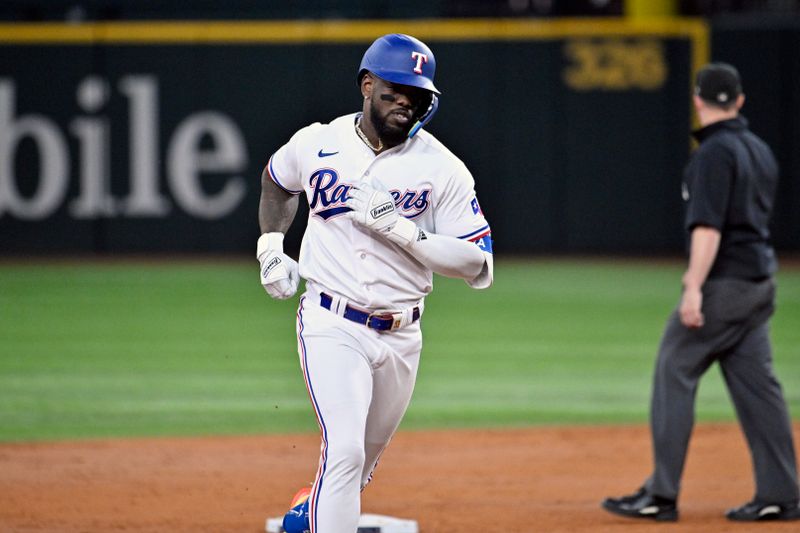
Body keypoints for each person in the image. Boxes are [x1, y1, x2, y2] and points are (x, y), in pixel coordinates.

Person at [256, 34, 493, 533]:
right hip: (330, 319)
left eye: (418, 94)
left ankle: (309, 515)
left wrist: (404, 230)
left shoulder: (443, 169)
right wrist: (271, 247)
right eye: (394, 90)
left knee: (360, 461)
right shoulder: (317, 142)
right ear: (367, 85)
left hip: (403, 335)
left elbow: (475, 261)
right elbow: (277, 181)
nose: (407, 101)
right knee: (342, 450)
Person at [601, 62, 800, 522]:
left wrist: (694, 288)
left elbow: (709, 228)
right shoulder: (758, 149)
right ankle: (781, 493)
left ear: (697, 100)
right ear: (740, 101)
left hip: (725, 285)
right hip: (760, 283)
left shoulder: (713, 153)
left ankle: (661, 495)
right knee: (758, 388)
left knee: (675, 369)